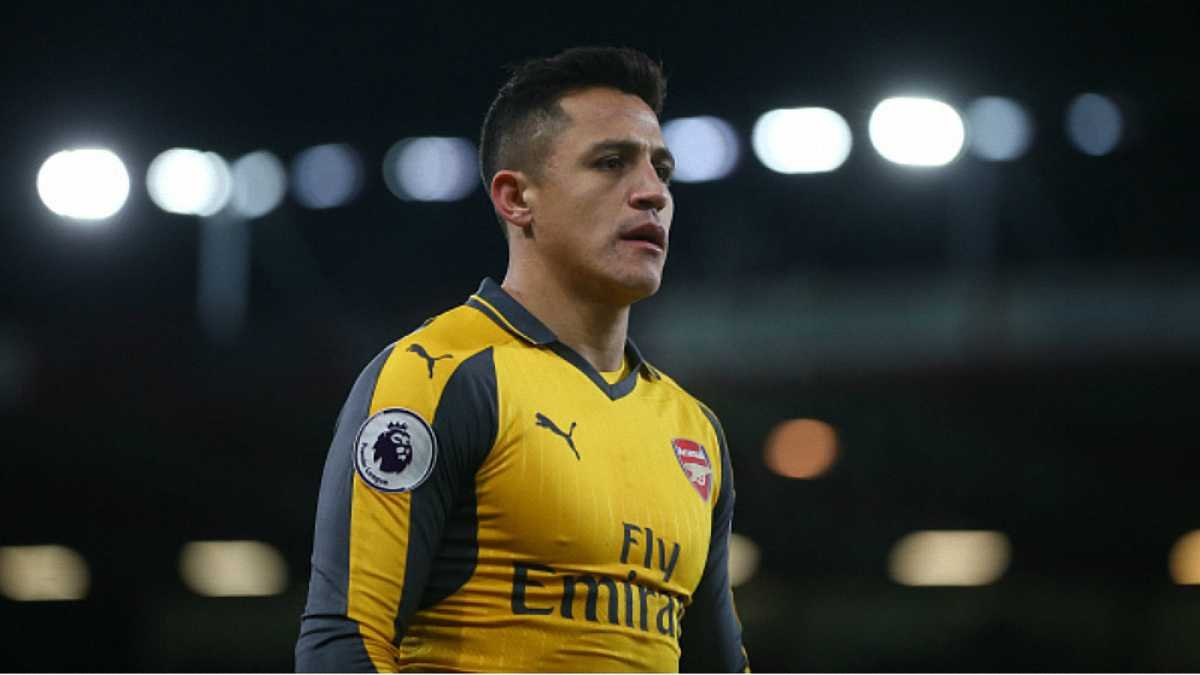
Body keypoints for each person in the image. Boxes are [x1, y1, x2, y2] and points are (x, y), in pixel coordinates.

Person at [295, 46, 750, 673]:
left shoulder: (694, 432)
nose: (653, 194)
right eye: (611, 163)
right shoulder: (438, 376)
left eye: (662, 171)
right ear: (515, 198)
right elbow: (345, 640)